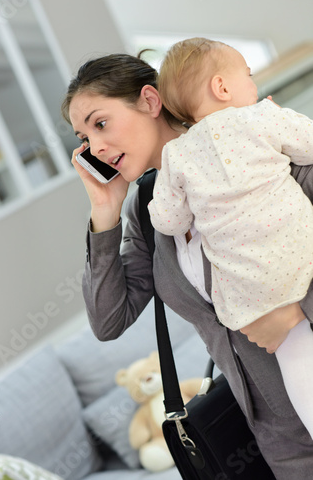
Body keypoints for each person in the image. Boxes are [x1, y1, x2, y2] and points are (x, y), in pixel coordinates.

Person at [62, 53, 313, 479]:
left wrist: (294, 312)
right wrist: (104, 209)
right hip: (281, 441)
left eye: (100, 123)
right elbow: (108, 320)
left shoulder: (252, 145)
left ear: (149, 100)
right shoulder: (148, 210)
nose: (96, 146)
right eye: (84, 137)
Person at [148, 38, 313, 438]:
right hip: (299, 259)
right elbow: (309, 145)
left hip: (247, 294)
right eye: (249, 77)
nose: (253, 87)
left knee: (296, 360)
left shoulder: (177, 156)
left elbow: (168, 221)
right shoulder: (260, 117)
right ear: (222, 87)